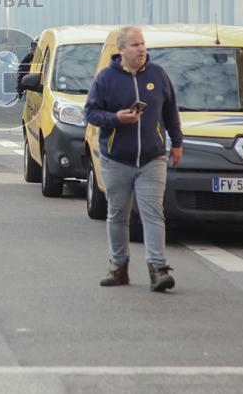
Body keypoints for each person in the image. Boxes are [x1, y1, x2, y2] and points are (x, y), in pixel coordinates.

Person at [84, 26, 183, 293]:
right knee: (117, 214)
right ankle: (119, 267)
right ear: (121, 50)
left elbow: (171, 111)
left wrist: (177, 143)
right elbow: (91, 113)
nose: (141, 49)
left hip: (152, 158)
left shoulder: (158, 75)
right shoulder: (106, 79)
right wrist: (116, 118)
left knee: (153, 213)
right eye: (135, 45)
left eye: (143, 44)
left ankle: (158, 269)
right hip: (117, 159)